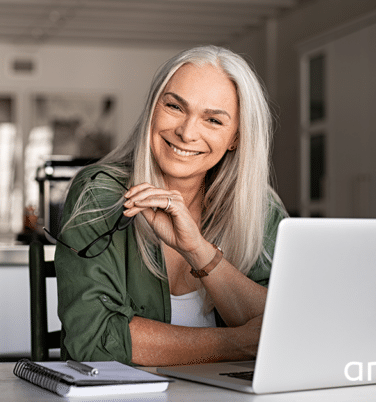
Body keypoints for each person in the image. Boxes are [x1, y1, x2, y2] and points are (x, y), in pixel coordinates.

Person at [49, 45, 287, 367]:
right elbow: (94, 341)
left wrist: (198, 251)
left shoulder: (259, 208)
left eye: (213, 120)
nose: (187, 132)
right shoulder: (100, 191)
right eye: (175, 106)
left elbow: (288, 328)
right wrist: (236, 343)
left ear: (236, 138)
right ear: (152, 108)